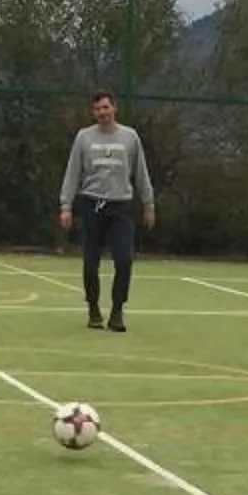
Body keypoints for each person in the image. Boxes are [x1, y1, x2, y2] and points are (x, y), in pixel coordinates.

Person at [57, 91, 156, 332]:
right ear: (93, 112)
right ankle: (93, 309)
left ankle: (117, 311)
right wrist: (66, 206)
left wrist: (148, 204)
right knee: (91, 263)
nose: (102, 113)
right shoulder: (84, 137)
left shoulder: (130, 137)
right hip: (92, 205)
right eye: (98, 109)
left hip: (121, 206)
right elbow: (73, 173)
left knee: (124, 261)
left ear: (114, 108)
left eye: (106, 108)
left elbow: (140, 173)